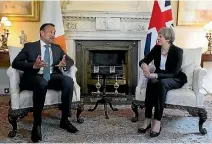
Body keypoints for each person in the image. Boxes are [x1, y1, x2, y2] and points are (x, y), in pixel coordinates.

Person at [12, 23, 78, 142]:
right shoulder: (30, 47)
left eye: (54, 32)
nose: (53, 35)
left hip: (51, 76)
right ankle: (37, 125)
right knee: (41, 82)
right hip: (34, 77)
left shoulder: (57, 48)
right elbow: (15, 63)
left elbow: (70, 61)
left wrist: (64, 65)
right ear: (42, 33)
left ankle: (64, 120)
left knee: (68, 81)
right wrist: (33, 65)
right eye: (50, 32)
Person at [137, 27, 187, 137]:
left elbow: (174, 73)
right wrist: (144, 65)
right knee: (151, 82)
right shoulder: (156, 49)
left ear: (168, 39)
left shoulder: (177, 51)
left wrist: (156, 74)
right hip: (160, 77)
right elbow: (143, 61)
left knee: (161, 83)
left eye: (160, 36)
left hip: (175, 78)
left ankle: (157, 121)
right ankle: (147, 119)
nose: (157, 38)